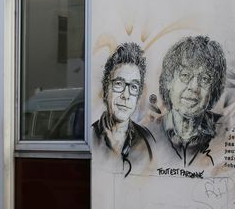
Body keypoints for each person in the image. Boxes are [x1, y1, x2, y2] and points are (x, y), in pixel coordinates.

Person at [158, 35, 226, 166]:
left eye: (205, 79)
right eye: (185, 75)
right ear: (168, 81)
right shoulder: (149, 134)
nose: (194, 87)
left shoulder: (226, 132)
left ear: (213, 89)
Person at [92, 42, 155, 176]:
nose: (126, 95)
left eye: (133, 87)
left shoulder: (148, 141)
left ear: (138, 97)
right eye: (119, 84)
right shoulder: (91, 136)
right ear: (105, 89)